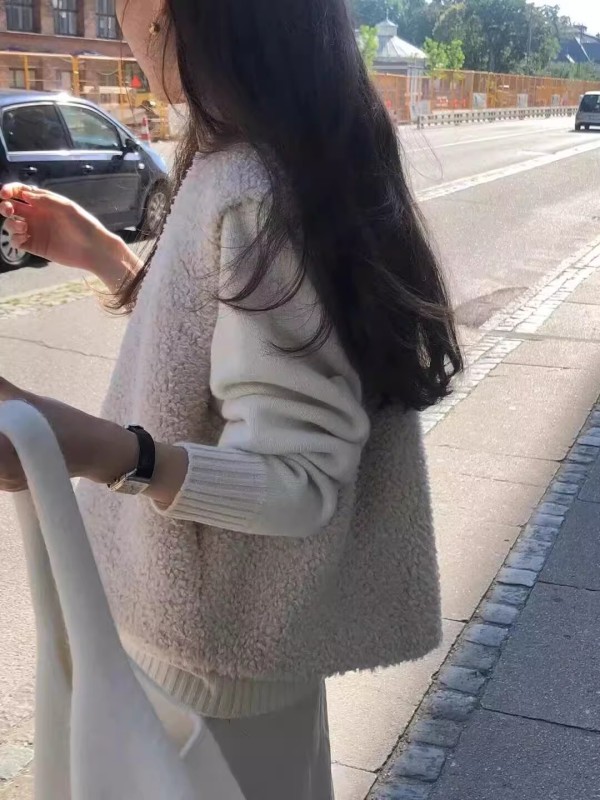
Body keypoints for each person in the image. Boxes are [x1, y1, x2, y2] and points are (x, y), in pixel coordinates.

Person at [0, 1, 462, 798]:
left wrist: (88, 448)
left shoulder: (253, 188)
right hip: (222, 665)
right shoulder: (264, 157)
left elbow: (301, 481)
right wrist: (106, 256)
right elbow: (215, 360)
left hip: (211, 679)